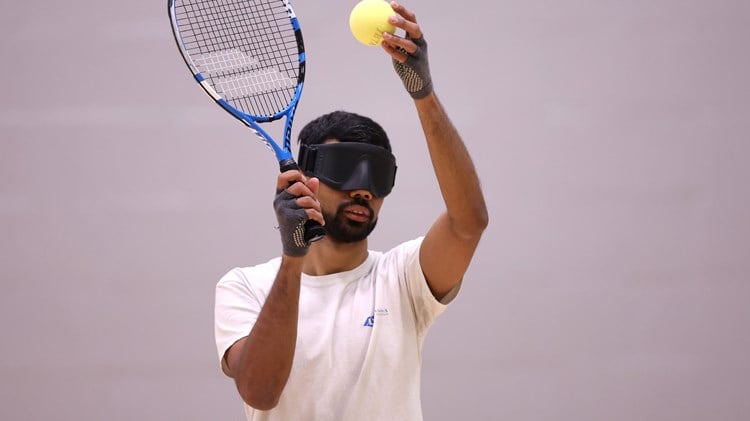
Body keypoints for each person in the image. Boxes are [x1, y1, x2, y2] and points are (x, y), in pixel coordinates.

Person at [214, 2, 488, 420]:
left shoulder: (403, 278)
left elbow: (469, 222)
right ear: (306, 180)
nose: (363, 189)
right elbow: (261, 391)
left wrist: (423, 92)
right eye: (345, 171)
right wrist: (293, 257)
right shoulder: (245, 286)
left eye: (377, 176)